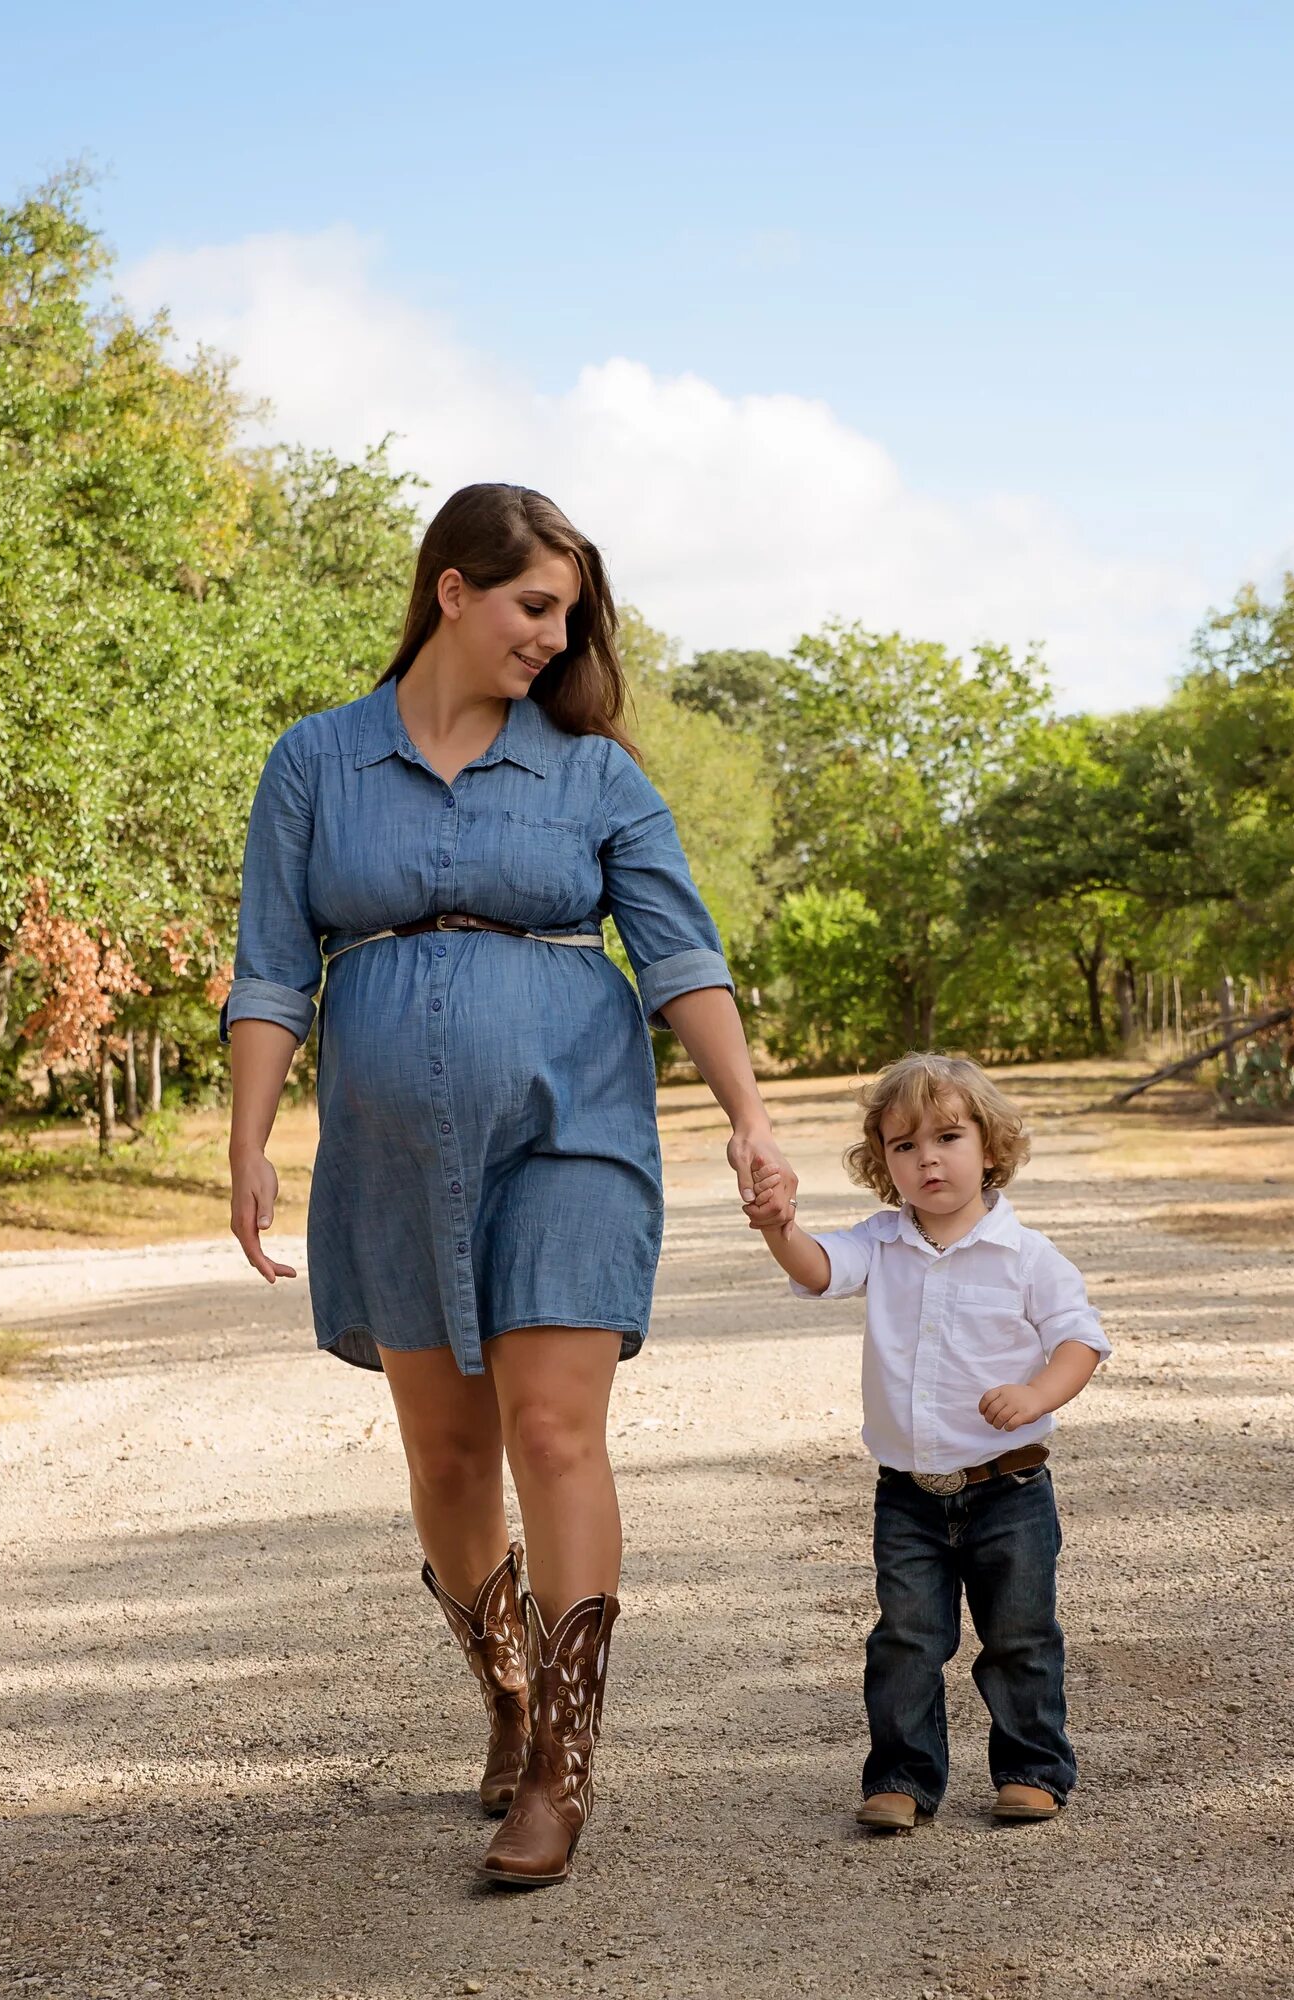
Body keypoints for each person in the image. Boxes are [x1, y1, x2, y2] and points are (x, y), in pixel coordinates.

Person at [223, 483, 794, 1888]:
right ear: (452, 591)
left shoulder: (594, 773)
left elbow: (679, 954)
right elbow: (273, 966)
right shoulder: (316, 763)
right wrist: (247, 1137)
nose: (556, 637)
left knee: (551, 1433)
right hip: (388, 1149)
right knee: (448, 1455)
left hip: (573, 1128)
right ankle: (507, 1684)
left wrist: (749, 1118)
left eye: (571, 615)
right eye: (537, 606)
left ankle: (564, 1765)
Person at [744, 1053, 1106, 1831]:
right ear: (884, 1163)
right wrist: (781, 1227)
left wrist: (1039, 1392)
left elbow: (1080, 1341)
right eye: (904, 1146)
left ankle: (1032, 1769)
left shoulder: (1028, 1257)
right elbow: (817, 1268)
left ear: (990, 1145)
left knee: (1020, 1636)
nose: (928, 1159)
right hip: (908, 1494)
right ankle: (903, 1779)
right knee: (906, 1640)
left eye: (947, 1137)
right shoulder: (882, 1244)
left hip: (1009, 1490)